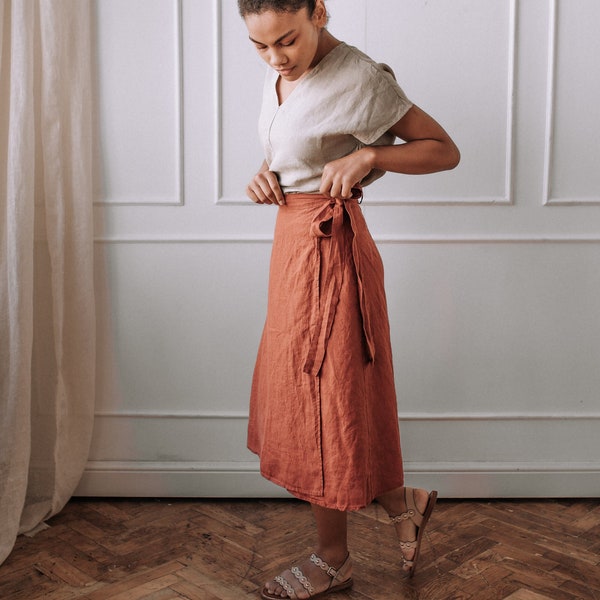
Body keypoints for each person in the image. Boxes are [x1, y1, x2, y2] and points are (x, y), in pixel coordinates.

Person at [237, 1, 460, 597]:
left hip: (330, 252)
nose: (276, 58)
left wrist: (371, 155)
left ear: (319, 12)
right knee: (305, 395)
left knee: (323, 399)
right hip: (291, 243)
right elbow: (298, 147)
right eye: (260, 46)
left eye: (287, 39)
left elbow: (442, 148)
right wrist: (267, 173)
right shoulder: (282, 71)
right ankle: (401, 502)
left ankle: (333, 560)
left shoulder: (361, 76)